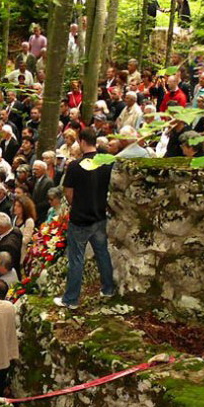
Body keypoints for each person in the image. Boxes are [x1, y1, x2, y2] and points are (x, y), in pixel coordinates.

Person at [55, 128, 115, 309]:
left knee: (76, 259)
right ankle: (108, 288)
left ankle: (71, 299)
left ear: (81, 141)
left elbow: (68, 193)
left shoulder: (75, 166)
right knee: (102, 253)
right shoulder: (106, 163)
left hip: (80, 218)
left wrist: (78, 205)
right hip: (99, 216)